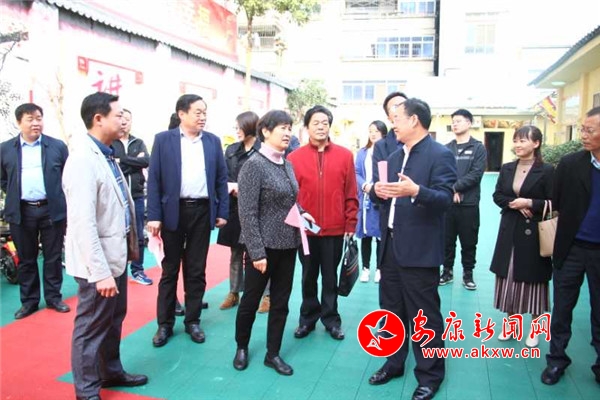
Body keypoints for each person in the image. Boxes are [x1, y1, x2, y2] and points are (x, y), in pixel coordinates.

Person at [369, 98, 456, 400]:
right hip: (390, 245)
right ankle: (394, 363)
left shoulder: (440, 155)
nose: (393, 124)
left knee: (423, 315)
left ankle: (430, 375)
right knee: (391, 311)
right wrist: (378, 192)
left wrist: (416, 191)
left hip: (420, 249)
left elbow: (445, 199)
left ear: (414, 120)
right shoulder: (394, 156)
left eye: (397, 118)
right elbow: (383, 196)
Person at [64, 92, 148, 400]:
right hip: (97, 265)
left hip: (116, 257)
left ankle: (110, 371)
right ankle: (86, 391)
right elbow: (82, 224)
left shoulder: (107, 155)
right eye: (118, 115)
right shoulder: (82, 160)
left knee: (113, 319)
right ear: (98, 119)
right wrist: (100, 273)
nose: (123, 120)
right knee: (91, 327)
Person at [147, 94, 229, 347]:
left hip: (202, 212)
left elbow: (221, 179)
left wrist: (222, 211)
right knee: (169, 270)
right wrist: (154, 216)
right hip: (172, 212)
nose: (202, 117)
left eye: (205, 112)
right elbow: (154, 180)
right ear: (181, 114)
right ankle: (165, 324)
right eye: (197, 112)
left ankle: (193, 321)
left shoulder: (213, 141)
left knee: (196, 269)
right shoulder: (163, 140)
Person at [233, 110, 306, 376]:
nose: (287, 133)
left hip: (288, 245)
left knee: (280, 302)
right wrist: (256, 252)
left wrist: (302, 214)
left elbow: (289, 201)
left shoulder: (287, 164)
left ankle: (272, 353)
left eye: (290, 128)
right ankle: (241, 346)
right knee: (251, 300)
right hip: (262, 249)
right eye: (282, 128)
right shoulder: (254, 165)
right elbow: (247, 213)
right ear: (265, 131)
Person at [288, 105, 358, 341]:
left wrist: (350, 223)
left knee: (330, 276)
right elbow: (290, 196)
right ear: (307, 127)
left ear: (330, 126)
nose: (321, 127)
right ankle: (307, 319)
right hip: (305, 230)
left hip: (335, 229)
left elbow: (351, 192)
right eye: (315, 123)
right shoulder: (294, 158)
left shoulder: (345, 156)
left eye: (325, 122)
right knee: (308, 276)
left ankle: (331, 319)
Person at [542, 106, 600, 385]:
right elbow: (558, 200)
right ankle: (556, 360)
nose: (583, 135)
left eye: (590, 130)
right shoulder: (570, 163)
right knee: (562, 308)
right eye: (582, 129)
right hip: (571, 247)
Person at [1, 103, 70, 319]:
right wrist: (15, 193)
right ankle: (29, 301)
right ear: (19, 122)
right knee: (26, 258)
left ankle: (53, 297)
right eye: (30, 119)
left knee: (53, 256)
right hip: (22, 211)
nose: (36, 123)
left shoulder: (57, 146)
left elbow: (67, 177)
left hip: (51, 209)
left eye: (39, 118)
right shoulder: (5, 149)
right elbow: (3, 179)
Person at [490, 125, 554, 348]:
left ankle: (535, 330)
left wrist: (531, 203)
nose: (517, 145)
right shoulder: (507, 168)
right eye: (516, 140)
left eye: (523, 140)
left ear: (536, 143)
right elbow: (497, 195)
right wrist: (514, 204)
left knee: (534, 281)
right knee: (509, 279)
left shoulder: (547, 170)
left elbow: (556, 201)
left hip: (534, 233)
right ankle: (511, 325)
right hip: (510, 229)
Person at [217, 111, 265, 311]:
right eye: (235, 127)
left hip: (258, 210)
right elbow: (223, 176)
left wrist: (245, 189)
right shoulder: (231, 150)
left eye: (239, 127)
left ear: (249, 126)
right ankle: (234, 292)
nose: (236, 131)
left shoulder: (263, 149)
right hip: (234, 208)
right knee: (235, 252)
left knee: (259, 253)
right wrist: (231, 188)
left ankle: (267, 295)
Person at [440, 109, 487, 290]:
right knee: (447, 240)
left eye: (459, 121)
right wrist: (451, 190)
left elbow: (476, 173)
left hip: (469, 204)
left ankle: (468, 274)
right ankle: (447, 271)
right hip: (448, 204)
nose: (455, 124)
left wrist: (456, 188)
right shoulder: (446, 148)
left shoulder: (478, 148)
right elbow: (442, 172)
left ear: (469, 123)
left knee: (469, 241)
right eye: (453, 121)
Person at [113, 108, 152, 286]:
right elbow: (115, 166)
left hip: (136, 195)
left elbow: (146, 161)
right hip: (116, 197)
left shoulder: (138, 142)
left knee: (139, 235)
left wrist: (122, 160)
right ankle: (117, 272)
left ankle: (138, 270)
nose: (123, 122)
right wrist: (134, 161)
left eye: (127, 119)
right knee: (117, 235)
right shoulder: (111, 143)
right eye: (121, 118)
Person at [355, 120, 387, 283]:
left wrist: (378, 188)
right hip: (365, 198)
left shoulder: (388, 152)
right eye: (370, 131)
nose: (373, 134)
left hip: (381, 198)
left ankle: (380, 268)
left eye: (376, 131)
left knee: (380, 235)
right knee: (365, 235)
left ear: (383, 133)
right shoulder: (362, 152)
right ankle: (365, 268)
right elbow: (356, 172)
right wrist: (365, 186)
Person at [371, 91, 408, 184]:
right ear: (389, 118)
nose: (401, 109)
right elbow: (379, 182)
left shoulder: (423, 142)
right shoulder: (381, 146)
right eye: (395, 107)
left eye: (404, 105)